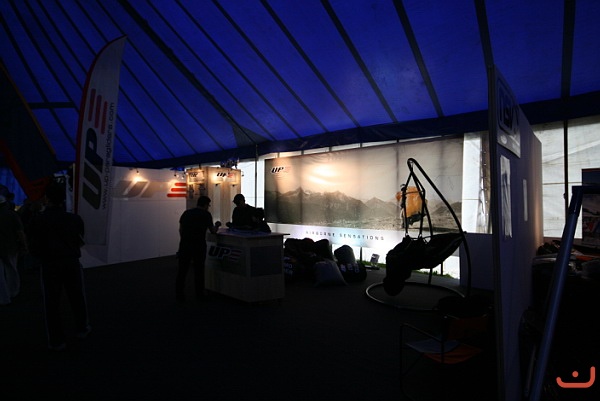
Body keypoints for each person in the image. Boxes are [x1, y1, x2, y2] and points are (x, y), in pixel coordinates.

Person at [28, 182, 90, 350]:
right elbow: (80, 240)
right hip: (71, 262)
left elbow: (33, 246)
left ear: (46, 199)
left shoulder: (38, 220)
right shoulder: (74, 219)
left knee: (51, 303)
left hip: (50, 264)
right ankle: (82, 328)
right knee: (77, 297)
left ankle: (57, 340)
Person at [176, 195, 221, 302]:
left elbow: (181, 229)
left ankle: (179, 294)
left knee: (182, 271)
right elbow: (213, 231)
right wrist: (217, 225)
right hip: (199, 246)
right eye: (208, 205)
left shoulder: (187, 213)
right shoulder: (206, 215)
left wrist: (184, 239)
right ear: (205, 205)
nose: (208, 207)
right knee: (199, 271)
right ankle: (199, 294)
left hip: (185, 245)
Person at [0, 194, 27, 306]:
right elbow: (20, 232)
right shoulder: (12, 215)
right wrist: (24, 246)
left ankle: (3, 297)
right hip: (10, 247)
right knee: (12, 270)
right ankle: (13, 292)